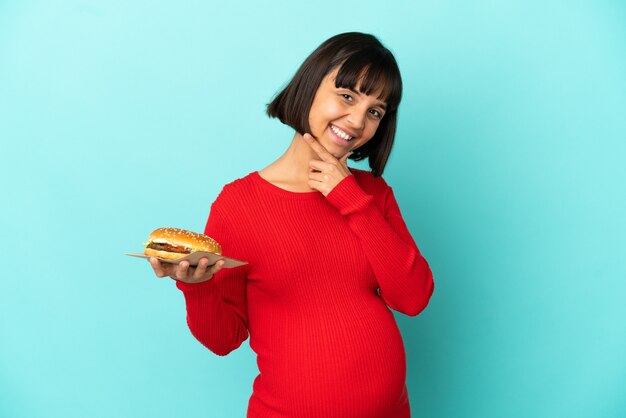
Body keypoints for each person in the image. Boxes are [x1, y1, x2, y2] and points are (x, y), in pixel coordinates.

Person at [149, 32, 434, 418]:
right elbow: (223, 340)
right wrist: (196, 288)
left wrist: (350, 199)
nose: (357, 120)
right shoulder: (240, 205)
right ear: (310, 85)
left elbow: (413, 298)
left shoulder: (372, 196)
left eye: (375, 111)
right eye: (347, 96)